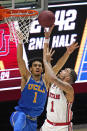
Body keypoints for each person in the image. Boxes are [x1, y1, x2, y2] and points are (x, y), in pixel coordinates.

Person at [9, 25, 78, 131]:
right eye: (35, 65)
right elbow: (20, 60)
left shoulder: (47, 81)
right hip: (20, 115)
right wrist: (20, 42)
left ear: (42, 69)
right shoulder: (26, 77)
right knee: (21, 119)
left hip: (35, 121)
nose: (38, 67)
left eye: (40, 66)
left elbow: (56, 65)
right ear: (30, 69)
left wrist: (66, 53)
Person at [40, 29, 78, 131]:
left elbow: (53, 77)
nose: (62, 70)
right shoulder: (52, 84)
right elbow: (56, 66)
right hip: (47, 124)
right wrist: (47, 38)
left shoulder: (69, 89)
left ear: (68, 78)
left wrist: (46, 61)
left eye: (65, 70)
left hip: (62, 127)